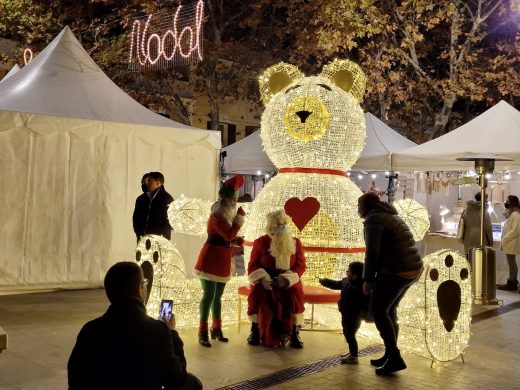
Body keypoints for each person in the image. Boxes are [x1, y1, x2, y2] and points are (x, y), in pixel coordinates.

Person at [68, 262, 202, 390]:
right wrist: (172, 333)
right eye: (144, 284)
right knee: (193, 382)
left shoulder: (90, 330)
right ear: (139, 290)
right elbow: (177, 379)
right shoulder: (157, 330)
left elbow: (75, 379)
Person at [358, 192, 423, 375]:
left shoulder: (373, 220)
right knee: (389, 310)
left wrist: (368, 280)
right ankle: (390, 353)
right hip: (413, 268)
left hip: (397, 270)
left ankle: (394, 357)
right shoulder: (389, 215)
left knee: (378, 310)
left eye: (359, 207)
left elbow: (372, 252)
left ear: (364, 207)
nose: (358, 210)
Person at [194, 175, 245, 347]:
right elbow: (228, 233)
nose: (236, 198)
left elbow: (228, 236)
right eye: (234, 194)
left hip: (223, 257)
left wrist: (236, 240)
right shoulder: (218, 213)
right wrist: (239, 221)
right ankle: (202, 331)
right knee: (208, 296)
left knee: (218, 296)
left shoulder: (226, 211)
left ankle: (216, 328)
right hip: (211, 258)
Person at [246, 209, 306, 348]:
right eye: (279, 224)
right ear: (271, 227)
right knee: (257, 294)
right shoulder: (260, 242)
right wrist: (263, 279)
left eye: (284, 223)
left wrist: (286, 279)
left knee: (295, 293)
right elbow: (253, 266)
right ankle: (255, 328)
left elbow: (300, 265)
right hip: (266, 278)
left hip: (288, 278)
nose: (283, 227)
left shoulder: (296, 243)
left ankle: (294, 331)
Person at [319, 261, 370, 364]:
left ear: (356, 273)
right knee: (347, 332)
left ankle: (354, 356)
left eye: (349, 270)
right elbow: (335, 284)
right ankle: (352, 352)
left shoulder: (362, 286)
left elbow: (366, 301)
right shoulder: (346, 281)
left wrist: (364, 312)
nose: (347, 271)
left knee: (350, 334)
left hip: (355, 315)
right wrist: (324, 281)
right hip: (345, 312)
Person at [459, 191, 493, 258]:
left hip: (467, 238)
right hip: (480, 239)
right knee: (479, 261)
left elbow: (461, 222)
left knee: (469, 259)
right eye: (486, 199)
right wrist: (490, 242)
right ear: (484, 199)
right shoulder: (483, 210)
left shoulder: (467, 209)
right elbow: (488, 227)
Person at [497, 195, 520, 291]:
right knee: (511, 262)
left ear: (512, 203)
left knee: (511, 263)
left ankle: (512, 282)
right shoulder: (512, 213)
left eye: (507, 201)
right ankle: (512, 281)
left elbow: (516, 230)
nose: (505, 203)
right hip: (510, 242)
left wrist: (505, 239)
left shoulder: (515, 215)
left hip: (511, 242)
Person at [144, 171, 174, 240]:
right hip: (150, 238)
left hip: (159, 240)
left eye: (149, 181)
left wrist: (160, 238)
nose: (147, 184)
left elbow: (170, 222)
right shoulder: (151, 197)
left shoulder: (166, 199)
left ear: (157, 183)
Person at [132, 173, 151, 241]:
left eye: (144, 183)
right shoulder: (140, 199)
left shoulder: (162, 198)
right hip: (142, 236)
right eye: (142, 183)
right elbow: (136, 218)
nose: (142, 185)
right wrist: (138, 233)